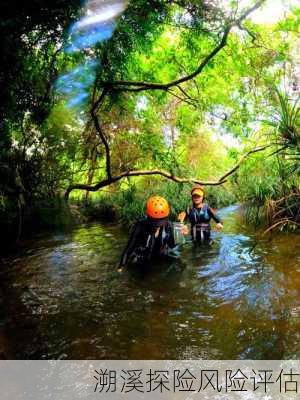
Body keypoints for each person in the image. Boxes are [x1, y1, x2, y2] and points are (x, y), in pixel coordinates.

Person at [118, 196, 177, 271]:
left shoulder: (169, 225)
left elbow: (172, 245)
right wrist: (121, 267)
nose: (158, 226)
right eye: (155, 222)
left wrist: (179, 234)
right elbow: (128, 250)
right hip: (141, 259)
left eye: (160, 222)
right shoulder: (140, 226)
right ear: (149, 217)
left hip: (159, 259)